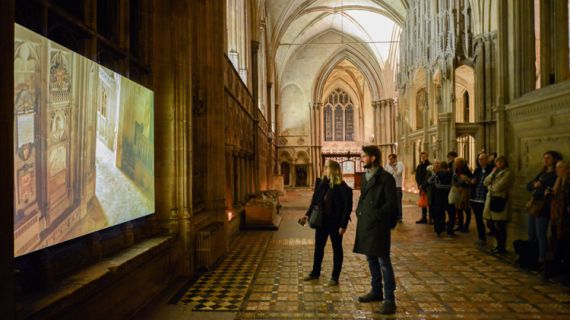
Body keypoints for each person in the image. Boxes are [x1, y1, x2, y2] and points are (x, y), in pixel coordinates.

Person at [353, 145, 398, 315]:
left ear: (373, 158)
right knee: (371, 259)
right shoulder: (365, 177)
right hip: (366, 223)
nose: (362, 159)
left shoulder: (386, 178)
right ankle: (376, 291)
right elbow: (363, 197)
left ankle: (389, 300)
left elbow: (391, 203)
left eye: (364, 156)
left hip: (379, 225)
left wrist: (377, 215)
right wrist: (359, 211)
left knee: (384, 262)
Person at [302, 160, 353, 286]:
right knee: (318, 248)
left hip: (335, 224)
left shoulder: (343, 188)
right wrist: (306, 215)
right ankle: (315, 272)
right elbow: (314, 202)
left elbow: (347, 207)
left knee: (337, 249)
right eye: (324, 167)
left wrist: (343, 225)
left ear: (334, 170)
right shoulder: (321, 184)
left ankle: (335, 277)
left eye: (326, 167)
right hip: (321, 221)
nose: (324, 169)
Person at [526, 151, 562, 263]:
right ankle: (532, 256)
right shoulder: (542, 172)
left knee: (541, 234)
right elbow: (528, 186)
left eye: (548, 158)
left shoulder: (556, 175)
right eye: (544, 158)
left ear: (555, 160)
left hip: (544, 206)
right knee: (531, 233)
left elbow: (553, 190)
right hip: (534, 204)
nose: (545, 160)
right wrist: (534, 185)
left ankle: (542, 259)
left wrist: (543, 187)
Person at [483, 155, 515, 254]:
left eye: (501, 162)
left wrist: (490, 188)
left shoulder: (508, 173)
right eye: (497, 162)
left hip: (500, 200)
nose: (499, 164)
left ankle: (501, 246)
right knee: (490, 223)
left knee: (500, 224)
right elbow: (485, 182)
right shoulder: (495, 172)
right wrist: (492, 173)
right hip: (491, 200)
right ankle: (499, 244)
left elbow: (499, 187)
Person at [470, 152, 494, 245]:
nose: (481, 161)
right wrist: (472, 181)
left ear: (487, 160)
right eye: (479, 159)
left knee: (490, 220)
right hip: (476, 198)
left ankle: (495, 237)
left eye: (483, 159)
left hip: (486, 198)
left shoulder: (491, 169)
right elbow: (472, 180)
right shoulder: (477, 170)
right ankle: (481, 237)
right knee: (478, 219)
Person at [428, 161, 454, 236]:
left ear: (440, 167)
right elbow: (456, 182)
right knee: (451, 213)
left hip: (438, 195)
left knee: (439, 213)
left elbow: (429, 181)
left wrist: (436, 183)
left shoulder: (437, 174)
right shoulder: (451, 173)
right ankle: (450, 230)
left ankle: (438, 230)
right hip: (448, 194)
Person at [450, 158, 472, 232]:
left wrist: (463, 181)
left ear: (461, 163)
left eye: (457, 162)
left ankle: (466, 226)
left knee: (466, 208)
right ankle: (460, 225)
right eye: (455, 162)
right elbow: (454, 180)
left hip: (465, 191)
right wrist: (456, 184)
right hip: (458, 190)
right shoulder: (456, 170)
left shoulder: (466, 170)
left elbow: (468, 180)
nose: (455, 164)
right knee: (459, 209)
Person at [385, 153, 404, 223]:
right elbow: (385, 174)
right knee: (391, 202)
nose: (390, 160)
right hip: (390, 187)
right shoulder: (387, 165)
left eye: (391, 159)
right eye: (389, 159)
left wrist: (393, 167)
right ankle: (393, 216)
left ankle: (399, 217)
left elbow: (399, 173)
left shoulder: (400, 164)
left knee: (398, 202)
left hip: (397, 186)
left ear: (395, 158)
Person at [415, 152, 431, 224]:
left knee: (430, 203)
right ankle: (424, 218)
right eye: (422, 156)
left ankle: (431, 218)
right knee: (423, 202)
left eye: (424, 156)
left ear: (427, 156)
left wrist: (423, 185)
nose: (423, 158)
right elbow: (417, 176)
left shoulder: (430, 166)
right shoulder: (419, 165)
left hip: (428, 187)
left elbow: (429, 177)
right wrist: (419, 185)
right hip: (421, 187)